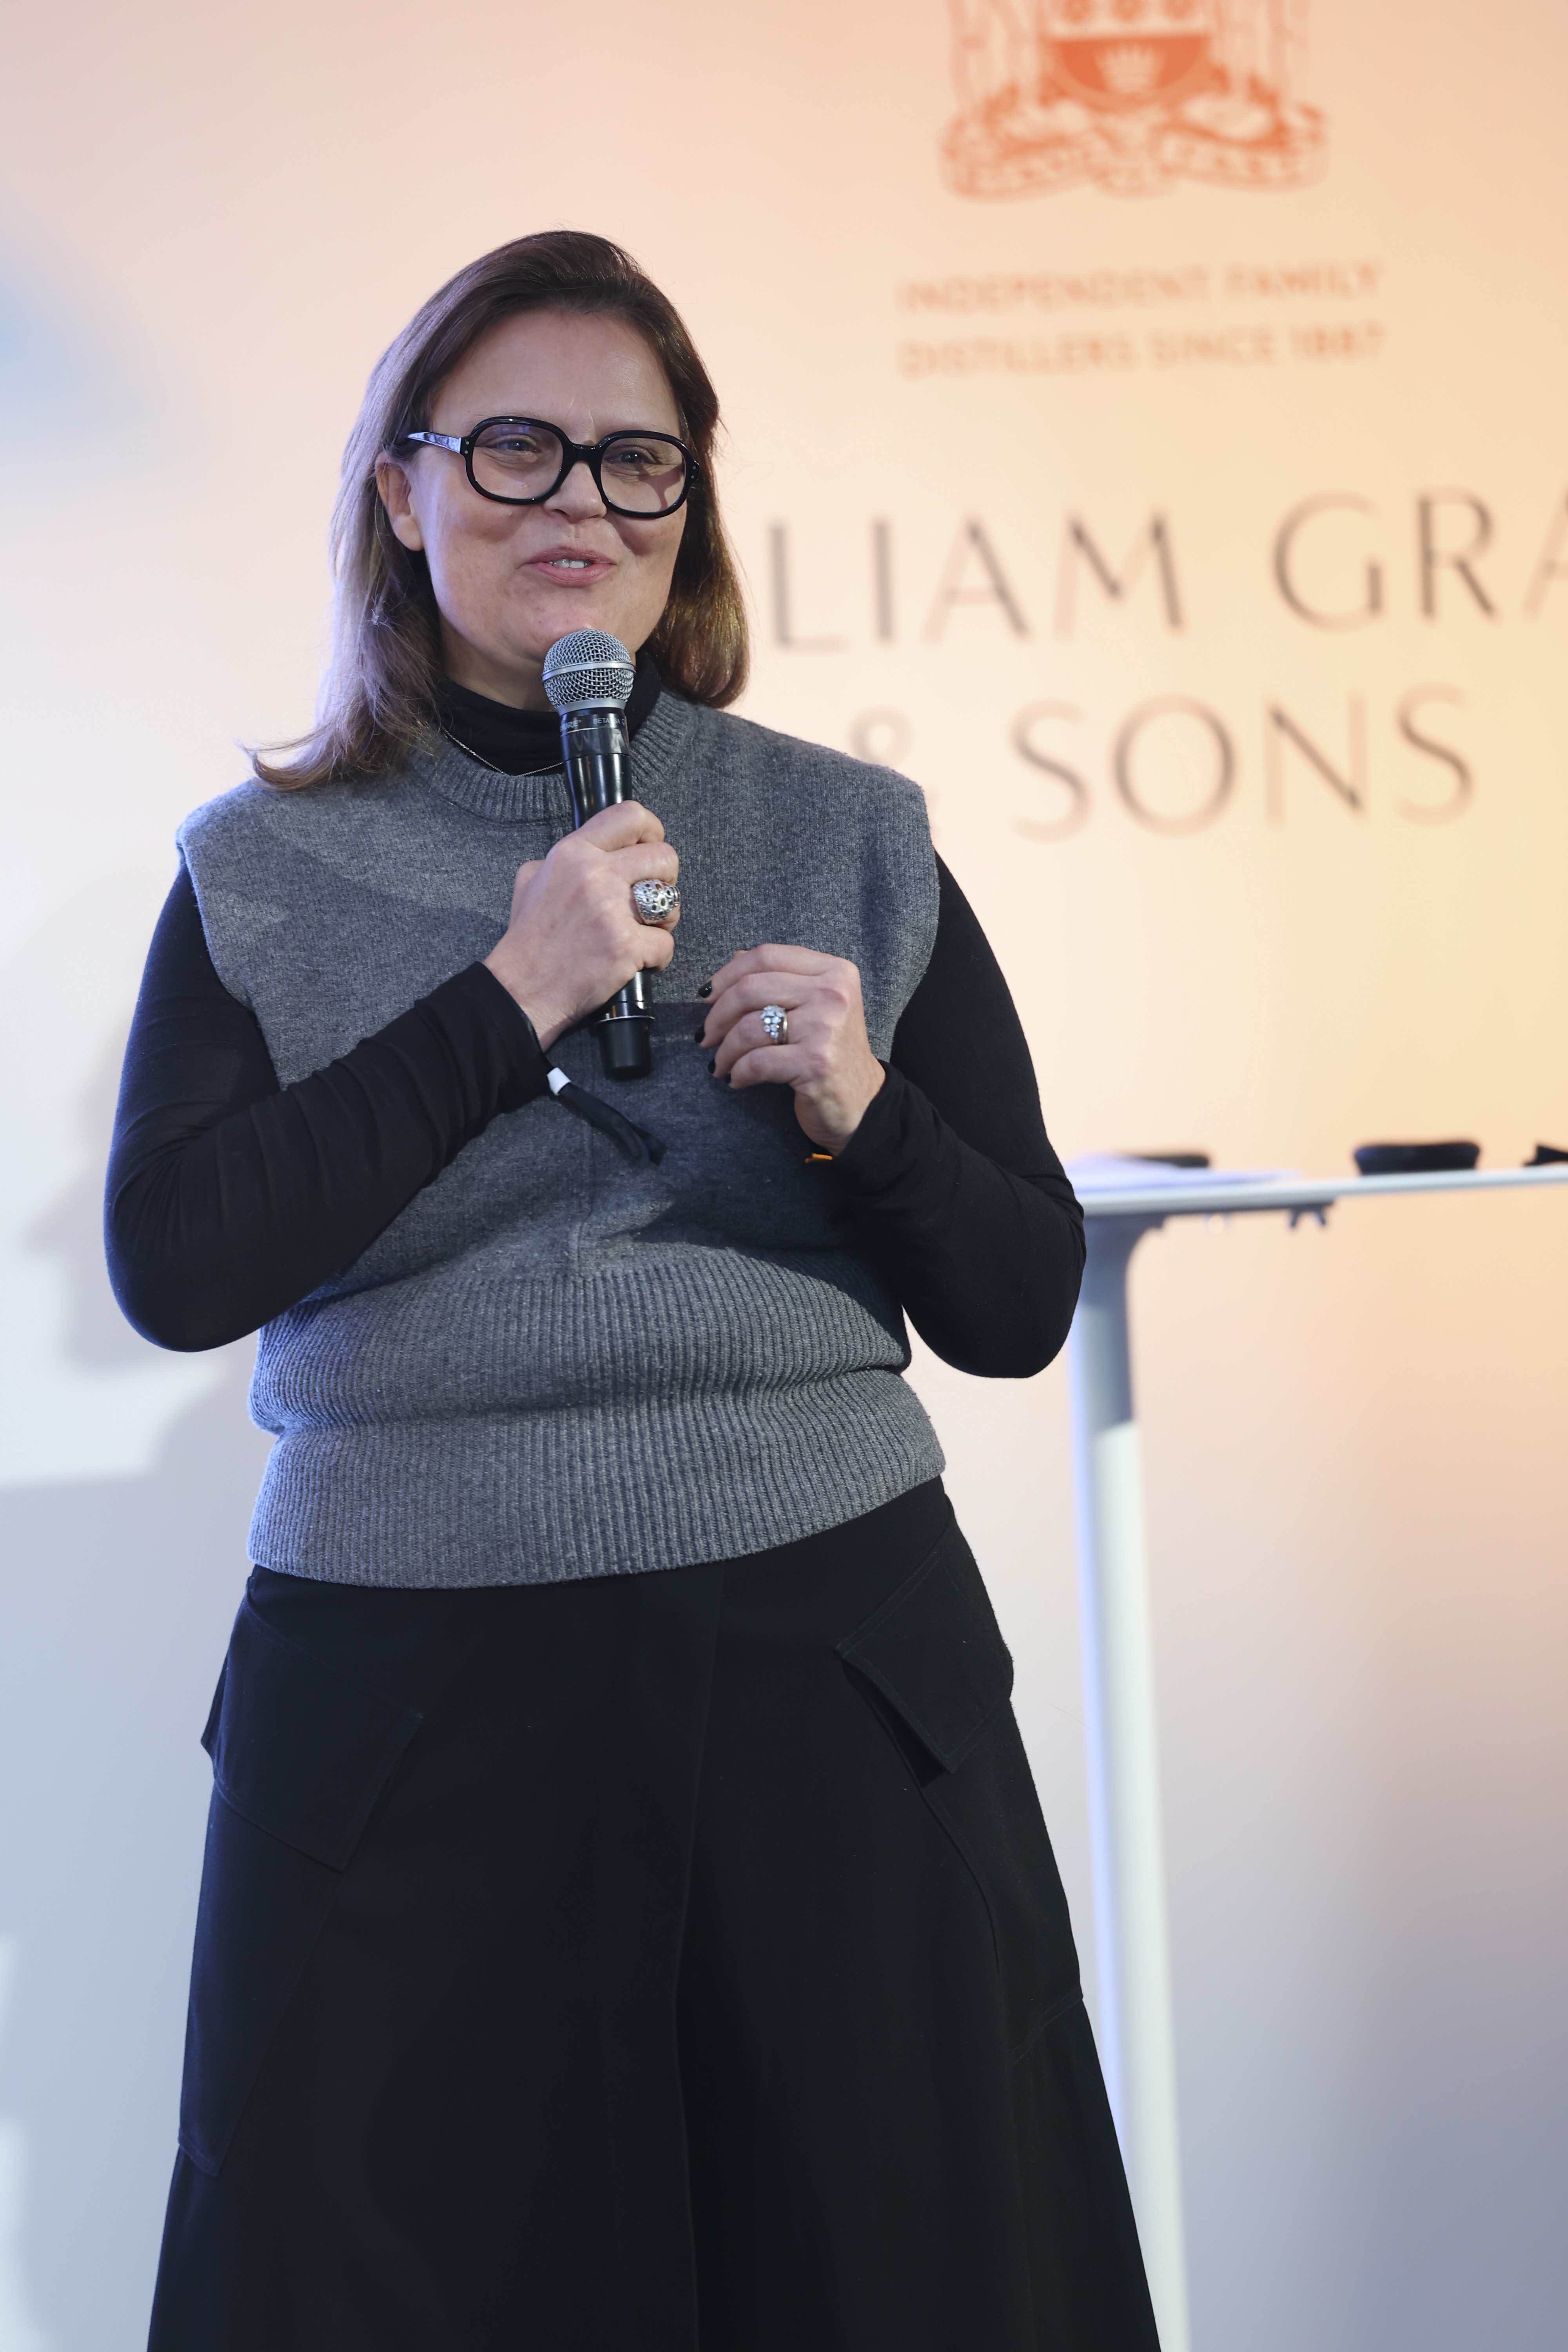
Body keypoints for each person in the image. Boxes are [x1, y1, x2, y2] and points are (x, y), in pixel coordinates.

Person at [107, 230, 1159, 2352]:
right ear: (401, 487)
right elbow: (183, 1265)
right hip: (410, 1706)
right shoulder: (261, 869)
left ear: (691, 505)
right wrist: (513, 992)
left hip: (823, 1675)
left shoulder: (849, 833)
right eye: (513, 448)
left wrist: (866, 1112)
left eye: (635, 460)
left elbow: (1021, 1298)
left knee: (884, 2268)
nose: (578, 503)